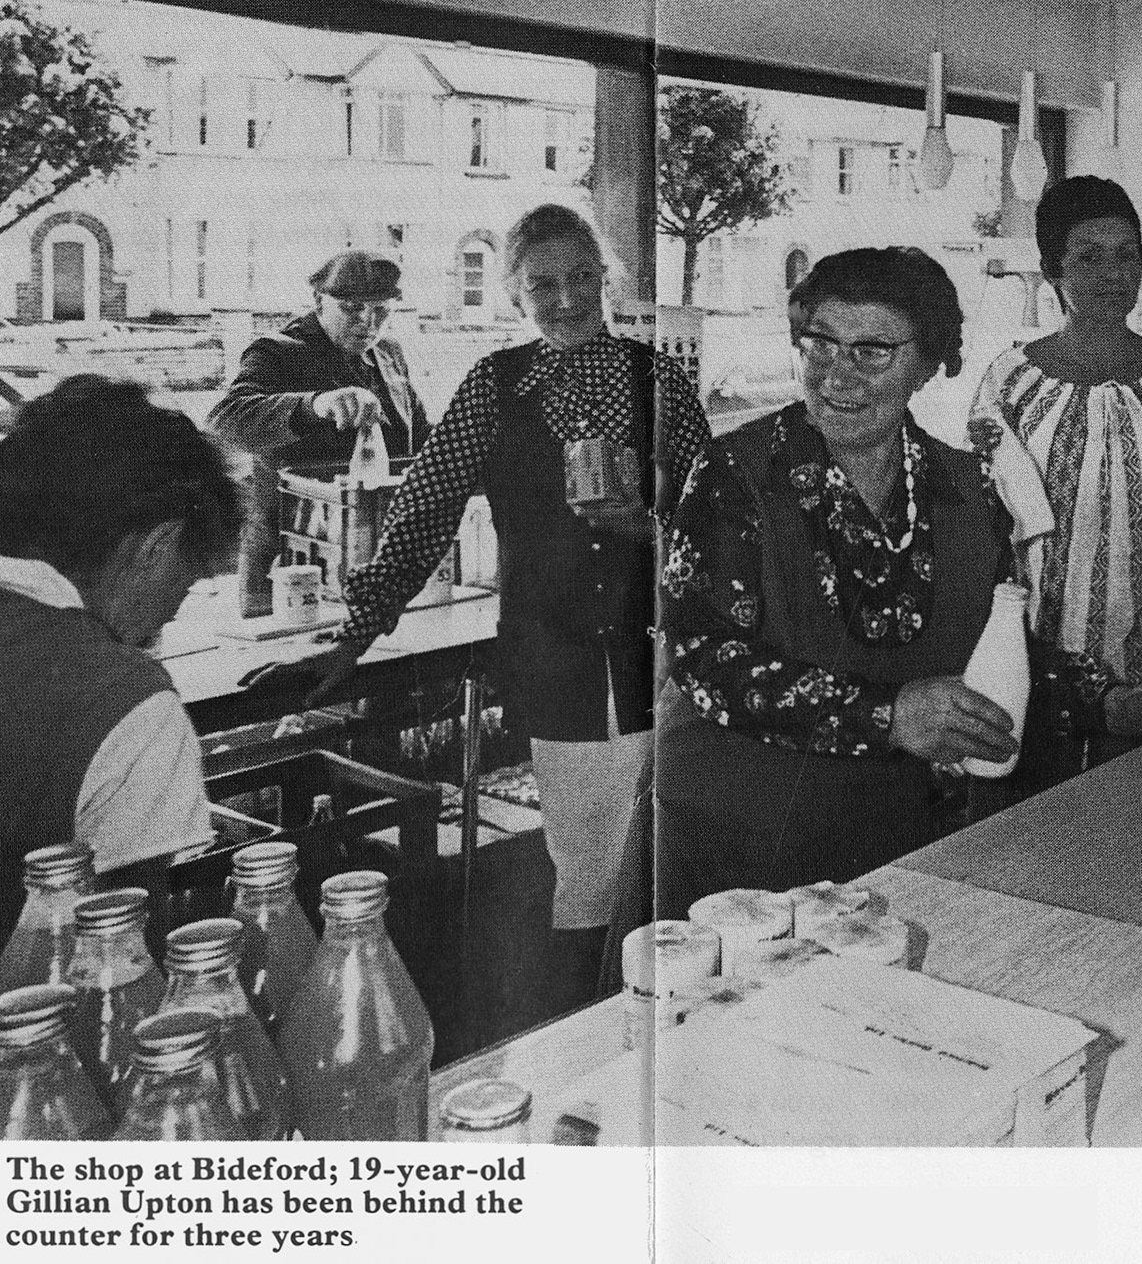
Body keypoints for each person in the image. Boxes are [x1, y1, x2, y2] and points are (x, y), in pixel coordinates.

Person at [253, 205, 708, 1009]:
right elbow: (422, 511)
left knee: (667, 858)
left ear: (607, 280)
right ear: (514, 294)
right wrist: (351, 640)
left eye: (581, 278)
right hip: (558, 656)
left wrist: (650, 525)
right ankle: (588, 1029)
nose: (565, 298)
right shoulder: (495, 387)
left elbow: (722, 520)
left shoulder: (659, 378)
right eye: (542, 284)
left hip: (668, 655)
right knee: (590, 866)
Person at [655, 247, 1142, 918]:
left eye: (873, 350)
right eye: (820, 344)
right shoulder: (734, 473)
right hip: (741, 849)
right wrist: (888, 713)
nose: (838, 374)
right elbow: (703, 656)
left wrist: (1109, 701)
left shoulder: (964, 485)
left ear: (928, 364)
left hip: (892, 840)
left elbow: (994, 654)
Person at [970, 177, 1142, 742]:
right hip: (1043, 661)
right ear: (1054, 271)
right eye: (1088, 259)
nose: (1113, 275)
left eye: (1127, 257)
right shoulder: (1010, 381)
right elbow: (986, 520)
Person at [0, 376, 241, 943]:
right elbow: (118, 968)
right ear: (158, 544)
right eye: (182, 588)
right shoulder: (128, 704)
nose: (166, 620)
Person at [208, 251, 431, 617]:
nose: (368, 324)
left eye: (381, 311)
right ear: (318, 301)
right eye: (351, 309)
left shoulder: (389, 355)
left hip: (377, 551)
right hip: (292, 562)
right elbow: (225, 423)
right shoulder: (277, 353)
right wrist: (315, 405)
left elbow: (419, 438)